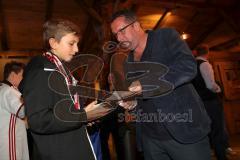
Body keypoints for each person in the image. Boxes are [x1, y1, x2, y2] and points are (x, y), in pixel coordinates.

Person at [110, 9, 211, 160]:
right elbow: (139, 96)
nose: (119, 38)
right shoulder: (128, 62)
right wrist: (132, 102)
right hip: (150, 139)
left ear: (136, 25)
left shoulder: (166, 37)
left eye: (121, 31)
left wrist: (145, 84)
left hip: (184, 132)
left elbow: (188, 67)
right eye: (116, 34)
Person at [19, 19, 111, 160]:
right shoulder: (40, 73)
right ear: (53, 43)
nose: (77, 49)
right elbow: (39, 121)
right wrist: (82, 116)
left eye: (77, 44)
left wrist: (86, 115)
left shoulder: (61, 71)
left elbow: (64, 111)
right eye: (71, 43)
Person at [191, 44, 229, 160]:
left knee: (205, 130)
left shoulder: (192, 65)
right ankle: (221, 156)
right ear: (208, 53)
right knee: (217, 129)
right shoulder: (205, 64)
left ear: (196, 52)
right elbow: (210, 85)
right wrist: (219, 89)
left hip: (199, 102)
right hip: (210, 102)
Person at [0, 61, 29, 160]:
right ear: (12, 75)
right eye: (22, 76)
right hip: (10, 143)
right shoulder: (10, 91)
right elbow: (22, 111)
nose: (24, 79)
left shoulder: (2, 89)